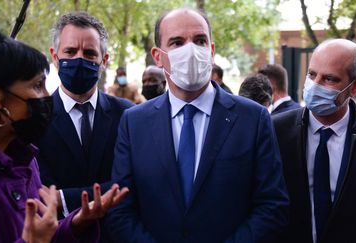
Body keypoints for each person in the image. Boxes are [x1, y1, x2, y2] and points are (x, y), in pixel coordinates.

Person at [106, 8, 288, 243]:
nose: (190, 50)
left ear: (211, 51)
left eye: (200, 40)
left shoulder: (253, 118)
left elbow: (272, 206)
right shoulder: (134, 122)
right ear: (158, 56)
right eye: (177, 42)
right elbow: (120, 210)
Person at [0, 23, 127, 243]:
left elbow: (41, 232)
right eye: (37, 86)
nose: (46, 95)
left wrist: (76, 223)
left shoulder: (24, 159)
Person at [272, 39, 356, 243]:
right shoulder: (274, 130)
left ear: (355, 86)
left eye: (329, 78)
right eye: (311, 74)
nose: (315, 85)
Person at [37, 12, 133, 219]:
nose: (79, 59)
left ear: (104, 60)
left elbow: (132, 183)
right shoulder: (36, 117)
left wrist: (62, 198)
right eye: (70, 52)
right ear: (55, 57)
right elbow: (39, 192)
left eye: (89, 53)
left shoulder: (128, 114)